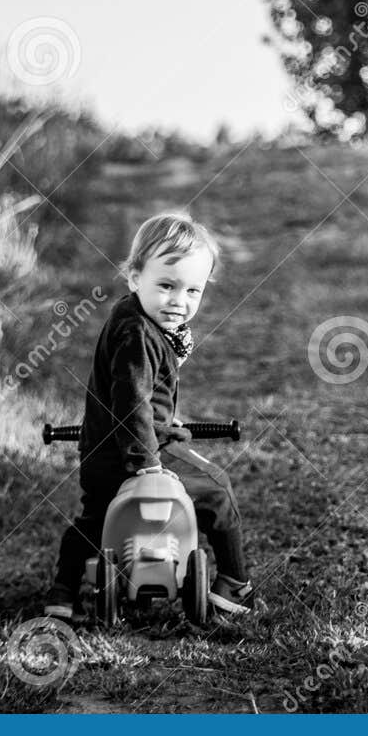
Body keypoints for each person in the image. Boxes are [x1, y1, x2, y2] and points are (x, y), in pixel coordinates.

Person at [43, 211, 254, 621]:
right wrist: (146, 464)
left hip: (104, 449)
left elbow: (142, 398)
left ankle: (62, 590)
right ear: (134, 277)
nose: (180, 300)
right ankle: (234, 581)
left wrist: (165, 422)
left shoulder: (135, 318)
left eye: (193, 290)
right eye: (167, 285)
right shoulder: (140, 334)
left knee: (97, 516)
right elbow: (132, 400)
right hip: (136, 451)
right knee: (217, 490)